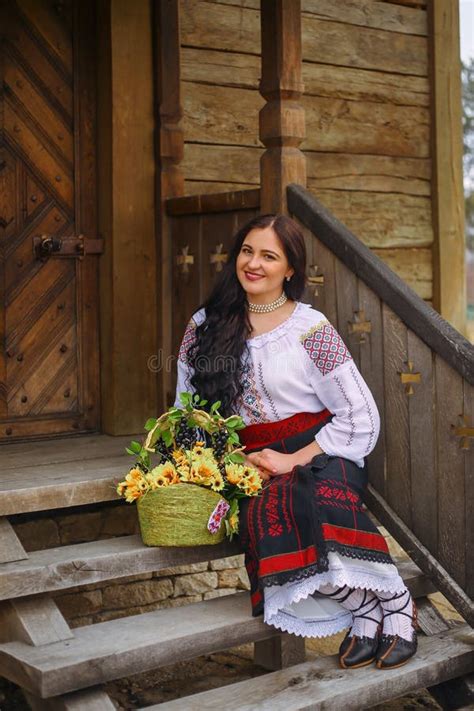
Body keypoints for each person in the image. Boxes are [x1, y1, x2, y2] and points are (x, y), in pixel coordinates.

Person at [174, 213, 419, 670]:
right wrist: (231, 462)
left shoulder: (311, 329)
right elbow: (188, 410)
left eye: (269, 256)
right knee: (271, 516)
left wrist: (294, 460)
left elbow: (360, 414)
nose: (254, 263)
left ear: (289, 269)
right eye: (248, 251)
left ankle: (398, 605)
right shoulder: (204, 325)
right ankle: (369, 611)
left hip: (323, 449)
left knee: (312, 503)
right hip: (248, 460)